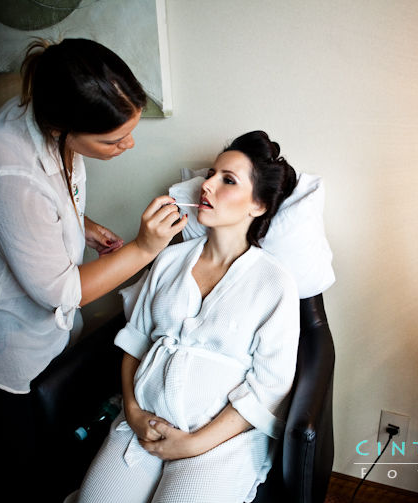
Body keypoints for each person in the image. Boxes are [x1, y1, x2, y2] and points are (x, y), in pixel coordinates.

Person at [0, 39, 186, 500]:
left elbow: (48, 202)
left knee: (43, 444)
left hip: (21, 323)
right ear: (62, 127)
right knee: (15, 466)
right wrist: (143, 248)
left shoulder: (49, 132)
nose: (127, 145)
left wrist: (83, 225)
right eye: (114, 140)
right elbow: (59, 290)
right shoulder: (4, 169)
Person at [76, 131, 300, 503]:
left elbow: (269, 387)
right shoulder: (169, 259)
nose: (206, 185)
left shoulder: (274, 283)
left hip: (219, 443)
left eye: (227, 180)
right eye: (211, 173)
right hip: (142, 425)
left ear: (257, 205)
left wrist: (195, 443)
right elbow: (135, 341)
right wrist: (132, 412)